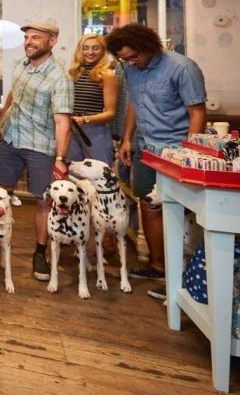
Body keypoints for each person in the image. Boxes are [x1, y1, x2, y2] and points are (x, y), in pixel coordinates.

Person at [106, 23, 206, 300]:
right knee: (148, 206)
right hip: (146, 148)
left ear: (147, 46)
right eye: (124, 59)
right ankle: (158, 266)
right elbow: (135, 104)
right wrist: (128, 138)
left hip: (176, 150)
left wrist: (189, 154)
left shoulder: (182, 68)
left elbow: (196, 112)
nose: (129, 62)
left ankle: (183, 277)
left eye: (133, 56)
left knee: (180, 211)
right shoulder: (130, 69)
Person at [0, 21, 73, 283]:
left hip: (40, 146)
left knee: (43, 201)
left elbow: (63, 122)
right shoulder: (20, 65)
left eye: (35, 37)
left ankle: (40, 253)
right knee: (1, 194)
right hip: (12, 141)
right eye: (27, 37)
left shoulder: (59, 78)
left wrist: (60, 159)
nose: (29, 42)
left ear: (51, 41)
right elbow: (13, 97)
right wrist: (2, 122)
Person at [67, 33, 118, 165]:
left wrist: (86, 119)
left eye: (95, 48)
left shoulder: (107, 75)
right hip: (72, 130)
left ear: (103, 50)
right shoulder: (73, 73)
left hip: (95, 131)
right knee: (74, 177)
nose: (90, 52)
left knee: (99, 176)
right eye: (85, 48)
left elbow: (110, 113)